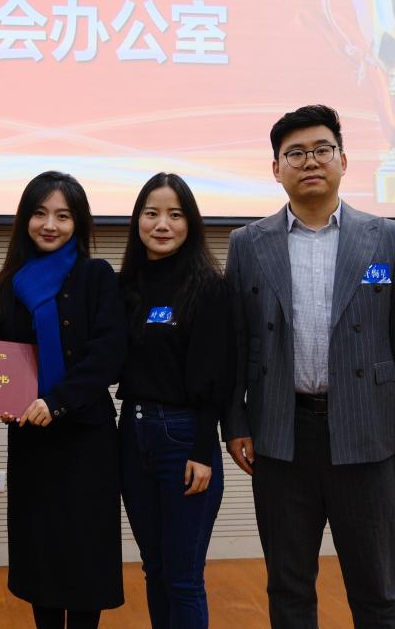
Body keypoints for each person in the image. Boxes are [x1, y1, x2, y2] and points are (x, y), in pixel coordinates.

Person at [223, 104, 395, 627]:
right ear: (276, 168)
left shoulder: (386, 237)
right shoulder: (247, 244)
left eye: (322, 149)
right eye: (295, 153)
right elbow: (235, 344)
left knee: (378, 587)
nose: (310, 161)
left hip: (366, 432)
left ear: (343, 160)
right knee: (288, 585)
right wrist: (236, 423)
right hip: (280, 435)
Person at [0, 171, 127, 629]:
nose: (50, 225)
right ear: (24, 219)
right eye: (40, 213)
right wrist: (0, 399)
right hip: (31, 440)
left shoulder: (96, 276)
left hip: (88, 438)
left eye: (63, 216)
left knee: (86, 554)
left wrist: (57, 401)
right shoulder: (4, 287)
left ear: (78, 223)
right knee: (39, 553)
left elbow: (108, 353)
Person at [116, 173, 235, 628]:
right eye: (151, 213)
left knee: (183, 577)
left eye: (175, 214)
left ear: (191, 223)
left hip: (183, 438)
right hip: (131, 434)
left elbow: (217, 377)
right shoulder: (124, 285)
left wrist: (203, 451)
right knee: (155, 568)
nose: (162, 224)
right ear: (137, 221)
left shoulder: (208, 286)